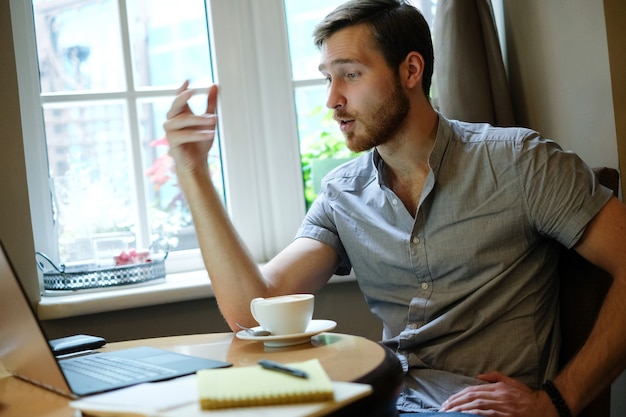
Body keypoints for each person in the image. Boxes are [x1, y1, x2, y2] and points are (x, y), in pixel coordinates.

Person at [164, 0, 626, 415]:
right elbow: (252, 312)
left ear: (410, 71)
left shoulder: (518, 162)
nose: (332, 100)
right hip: (380, 399)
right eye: (328, 77)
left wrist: (557, 402)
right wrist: (195, 175)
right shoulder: (342, 193)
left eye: (350, 74)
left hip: (476, 406)